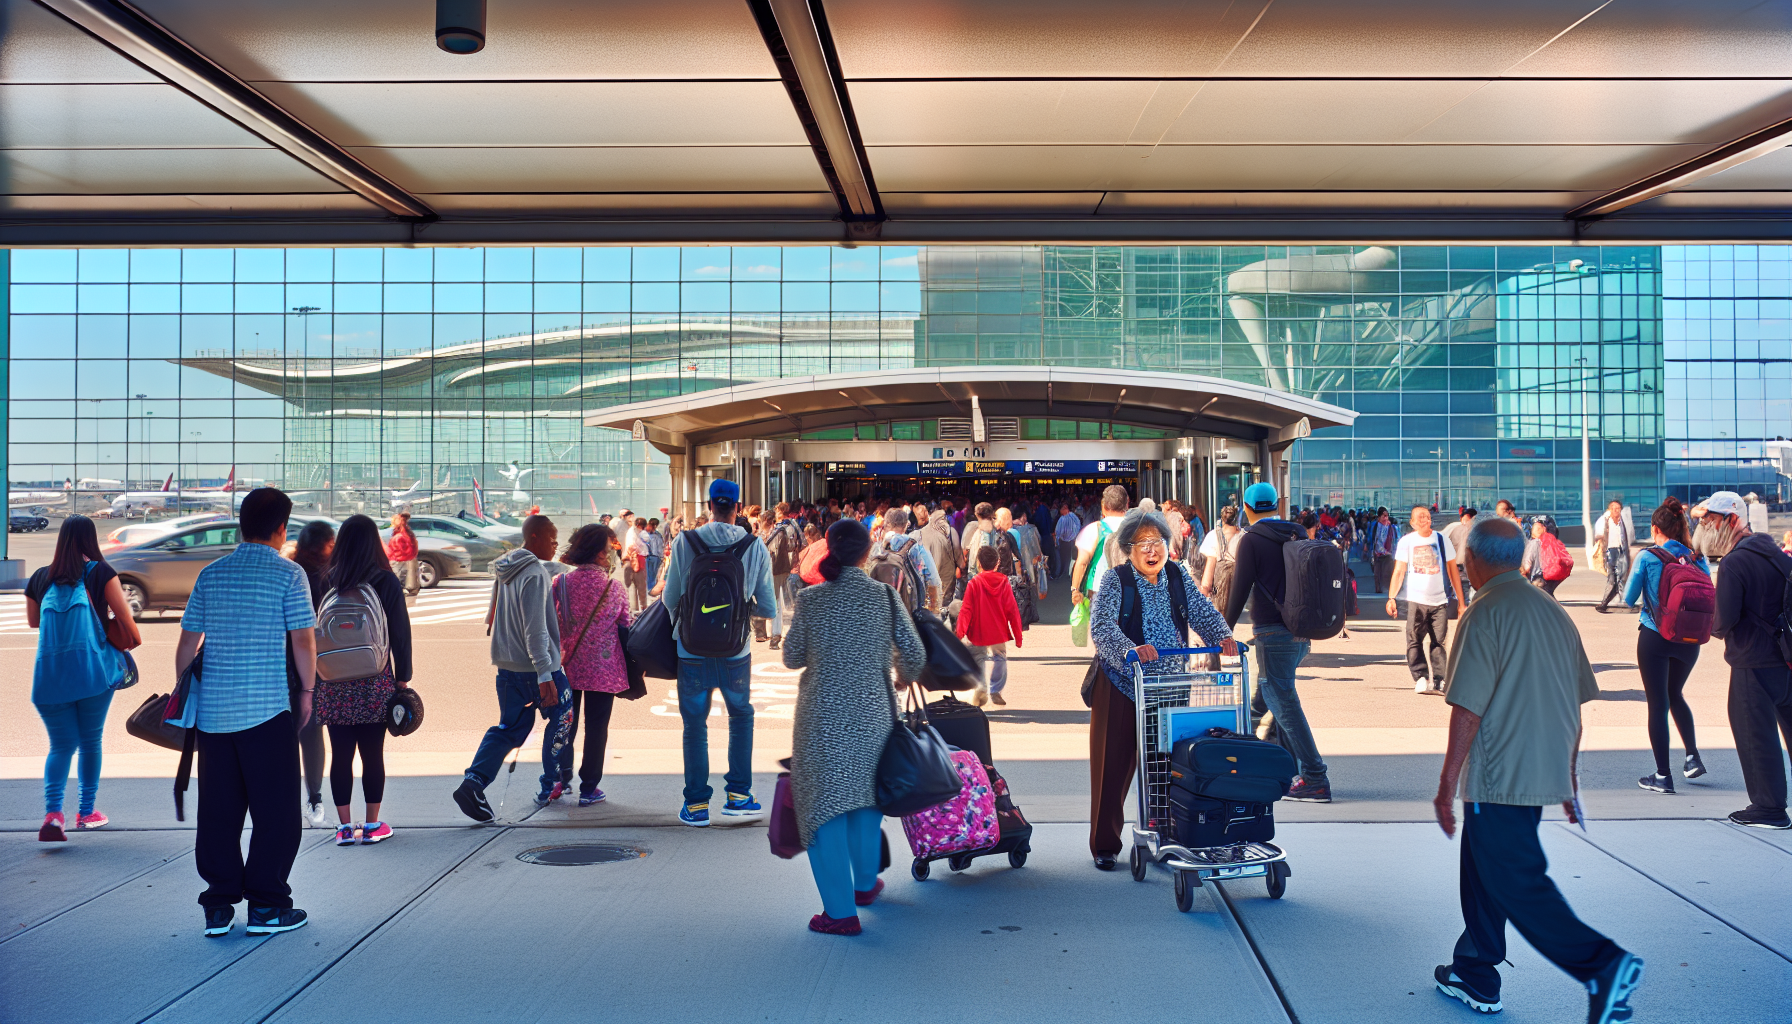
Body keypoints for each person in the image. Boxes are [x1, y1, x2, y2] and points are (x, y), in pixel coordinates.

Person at [1432, 517, 1642, 1023]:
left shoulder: (1485, 612)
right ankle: (1475, 969)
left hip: (1499, 773)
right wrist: (1568, 777)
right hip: (1538, 769)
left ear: (1474, 561)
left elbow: (1468, 708)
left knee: (1516, 882)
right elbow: (1573, 702)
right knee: (1484, 871)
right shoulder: (1552, 611)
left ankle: (1603, 965)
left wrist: (1445, 786)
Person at [172, 487, 316, 937]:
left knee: (218, 812)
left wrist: (190, 694)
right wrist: (308, 691)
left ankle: (218, 907)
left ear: (240, 525)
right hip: (267, 712)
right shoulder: (288, 575)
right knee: (276, 815)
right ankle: (267, 908)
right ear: (280, 529)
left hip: (214, 719)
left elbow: (185, 647)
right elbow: (304, 642)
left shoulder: (211, 574)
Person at [782, 518, 926, 935]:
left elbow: (792, 658)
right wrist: (897, 672)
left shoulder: (811, 600)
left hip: (821, 719)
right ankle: (864, 885)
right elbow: (914, 657)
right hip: (875, 716)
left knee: (825, 809)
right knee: (866, 800)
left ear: (829, 549)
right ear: (867, 552)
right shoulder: (884, 596)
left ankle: (839, 912)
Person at [1088, 506, 1235, 869]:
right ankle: (1105, 845)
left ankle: (1162, 833)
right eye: (1142, 545)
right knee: (1112, 767)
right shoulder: (1115, 580)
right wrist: (1130, 650)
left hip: (1169, 685)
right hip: (1123, 683)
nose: (1152, 551)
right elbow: (1102, 629)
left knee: (1165, 765)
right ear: (1128, 549)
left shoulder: (1176, 575)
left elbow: (1202, 610)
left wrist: (1224, 636)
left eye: (1157, 542)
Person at [659, 479, 779, 826]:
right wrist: (736, 613)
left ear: (710, 505)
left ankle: (696, 806)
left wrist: (686, 629)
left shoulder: (686, 540)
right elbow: (768, 608)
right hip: (735, 652)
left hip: (690, 650)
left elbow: (670, 598)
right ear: (737, 508)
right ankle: (739, 796)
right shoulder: (754, 546)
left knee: (694, 724)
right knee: (740, 717)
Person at [25, 514, 140, 842]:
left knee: (60, 746)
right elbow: (126, 623)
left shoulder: (40, 578)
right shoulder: (101, 573)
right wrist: (108, 615)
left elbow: (34, 622)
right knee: (90, 740)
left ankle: (53, 814)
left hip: (49, 678)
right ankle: (86, 811)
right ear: (91, 540)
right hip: (92, 673)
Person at [453, 514, 574, 821]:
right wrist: (545, 674)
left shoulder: (506, 565)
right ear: (534, 537)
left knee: (511, 728)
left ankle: (474, 782)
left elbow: (491, 616)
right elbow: (536, 630)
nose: (555, 543)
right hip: (536, 668)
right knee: (563, 717)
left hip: (507, 666)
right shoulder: (534, 572)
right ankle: (551, 785)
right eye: (551, 537)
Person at [1225, 482, 1330, 802]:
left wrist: (1222, 630)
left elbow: (1240, 588)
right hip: (1303, 631)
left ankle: (1314, 776)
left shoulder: (1252, 540)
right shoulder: (1297, 531)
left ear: (1247, 508)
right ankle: (1288, 770)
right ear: (1276, 504)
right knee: (1272, 696)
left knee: (1281, 697)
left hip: (1272, 631)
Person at [316, 514, 413, 846]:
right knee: (373, 754)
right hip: (374, 679)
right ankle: (372, 826)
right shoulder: (385, 580)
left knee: (340, 755)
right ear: (374, 542)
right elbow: (400, 634)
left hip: (331, 681)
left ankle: (344, 827)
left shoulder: (326, 579)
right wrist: (403, 678)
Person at [1622, 498, 1710, 794]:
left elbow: (1628, 598)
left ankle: (1662, 776)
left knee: (1658, 703)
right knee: (1676, 694)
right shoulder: (1698, 557)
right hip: (1690, 639)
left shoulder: (1647, 557)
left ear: (1655, 528)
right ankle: (1692, 756)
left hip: (1654, 636)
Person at [1713, 504, 1792, 828]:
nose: (1706, 526)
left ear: (1732, 520)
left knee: (1754, 734)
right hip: (1785, 657)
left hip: (1751, 660)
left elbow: (1724, 619)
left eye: (1711, 520)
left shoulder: (1734, 562)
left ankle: (1769, 807)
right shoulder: (1778, 556)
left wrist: (1716, 629)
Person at [552, 523, 633, 807]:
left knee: (566, 725)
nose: (611, 554)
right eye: (609, 549)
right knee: (597, 727)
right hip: (604, 671)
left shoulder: (560, 584)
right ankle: (589, 788)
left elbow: (551, 625)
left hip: (566, 667)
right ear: (600, 554)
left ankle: (561, 777)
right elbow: (626, 625)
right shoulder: (614, 587)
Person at [1386, 505, 1466, 696]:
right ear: (1412, 523)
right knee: (1414, 641)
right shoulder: (1407, 541)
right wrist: (1392, 597)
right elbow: (1399, 571)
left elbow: (1453, 571)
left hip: (1439, 601)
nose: (1425, 519)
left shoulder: (1441, 540)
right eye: (1420, 517)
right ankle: (1421, 677)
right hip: (1415, 600)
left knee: (1439, 642)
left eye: (1427, 516)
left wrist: (1461, 603)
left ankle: (1439, 679)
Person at [288, 519, 335, 826]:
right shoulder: (328, 579)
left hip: (282, 664)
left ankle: (287, 795)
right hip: (318, 665)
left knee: (285, 733)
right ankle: (314, 797)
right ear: (323, 547)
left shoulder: (290, 572)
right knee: (312, 732)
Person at [956, 545, 1024, 707]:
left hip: (978, 630)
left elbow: (966, 610)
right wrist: (1018, 636)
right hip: (998, 631)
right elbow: (1012, 610)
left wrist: (959, 632)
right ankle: (995, 688)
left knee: (978, 658)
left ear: (979, 563)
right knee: (1000, 658)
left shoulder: (974, 583)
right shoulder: (1003, 582)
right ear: (997, 563)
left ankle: (981, 686)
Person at [1070, 485, 1130, 610]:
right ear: (1127, 504)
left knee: (1102, 626)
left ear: (1103, 506)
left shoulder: (1094, 529)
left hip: (1099, 588)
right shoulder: (1138, 528)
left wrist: (1075, 589)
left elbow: (1082, 562)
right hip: (1131, 587)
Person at [871, 507, 940, 611]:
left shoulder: (876, 550)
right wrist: (933, 611)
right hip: (908, 612)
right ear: (905, 526)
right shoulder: (915, 548)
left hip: (880, 612)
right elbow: (933, 580)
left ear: (886, 525)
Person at [758, 503, 802, 648]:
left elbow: (771, 553)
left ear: (766, 521)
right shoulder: (787, 528)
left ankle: (775, 636)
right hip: (784, 569)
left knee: (776, 602)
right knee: (782, 602)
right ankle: (780, 635)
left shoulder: (774, 532)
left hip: (774, 570)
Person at [1591, 499, 1635, 613]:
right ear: (1609, 510)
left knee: (1622, 577)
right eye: (1613, 508)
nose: (1615, 511)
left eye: (1618, 508)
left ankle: (1621, 601)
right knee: (1612, 578)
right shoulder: (1605, 521)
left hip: (1622, 550)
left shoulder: (1623, 521)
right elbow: (1598, 535)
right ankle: (1605, 603)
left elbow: (1630, 535)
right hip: (1610, 551)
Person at [1365, 507, 1400, 595]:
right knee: (1377, 572)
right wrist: (1368, 546)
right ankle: (1378, 587)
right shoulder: (1375, 525)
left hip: (1388, 553)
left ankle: (1388, 588)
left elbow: (1395, 539)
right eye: (1384, 516)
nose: (1385, 518)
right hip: (1377, 552)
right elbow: (1371, 538)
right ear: (1379, 517)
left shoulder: (1390, 527)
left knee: (1387, 571)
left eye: (1387, 516)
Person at [385, 510, 419, 598]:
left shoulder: (398, 537)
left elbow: (395, 553)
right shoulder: (409, 534)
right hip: (408, 563)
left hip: (398, 563)